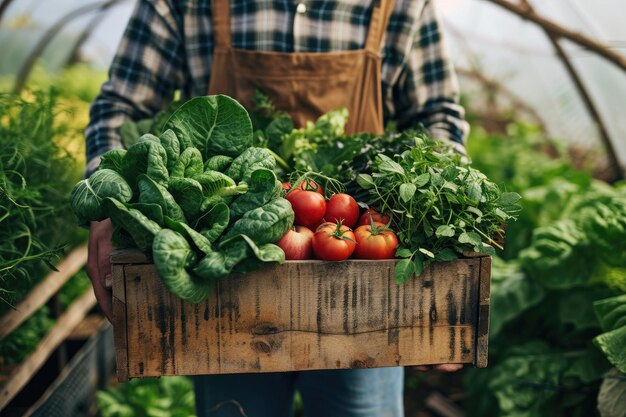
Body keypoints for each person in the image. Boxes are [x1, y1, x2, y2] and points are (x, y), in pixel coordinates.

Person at [86, 1, 469, 416]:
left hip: (364, 289)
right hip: (226, 281)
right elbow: (121, 108)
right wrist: (110, 208)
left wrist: (446, 224)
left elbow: (437, 118)